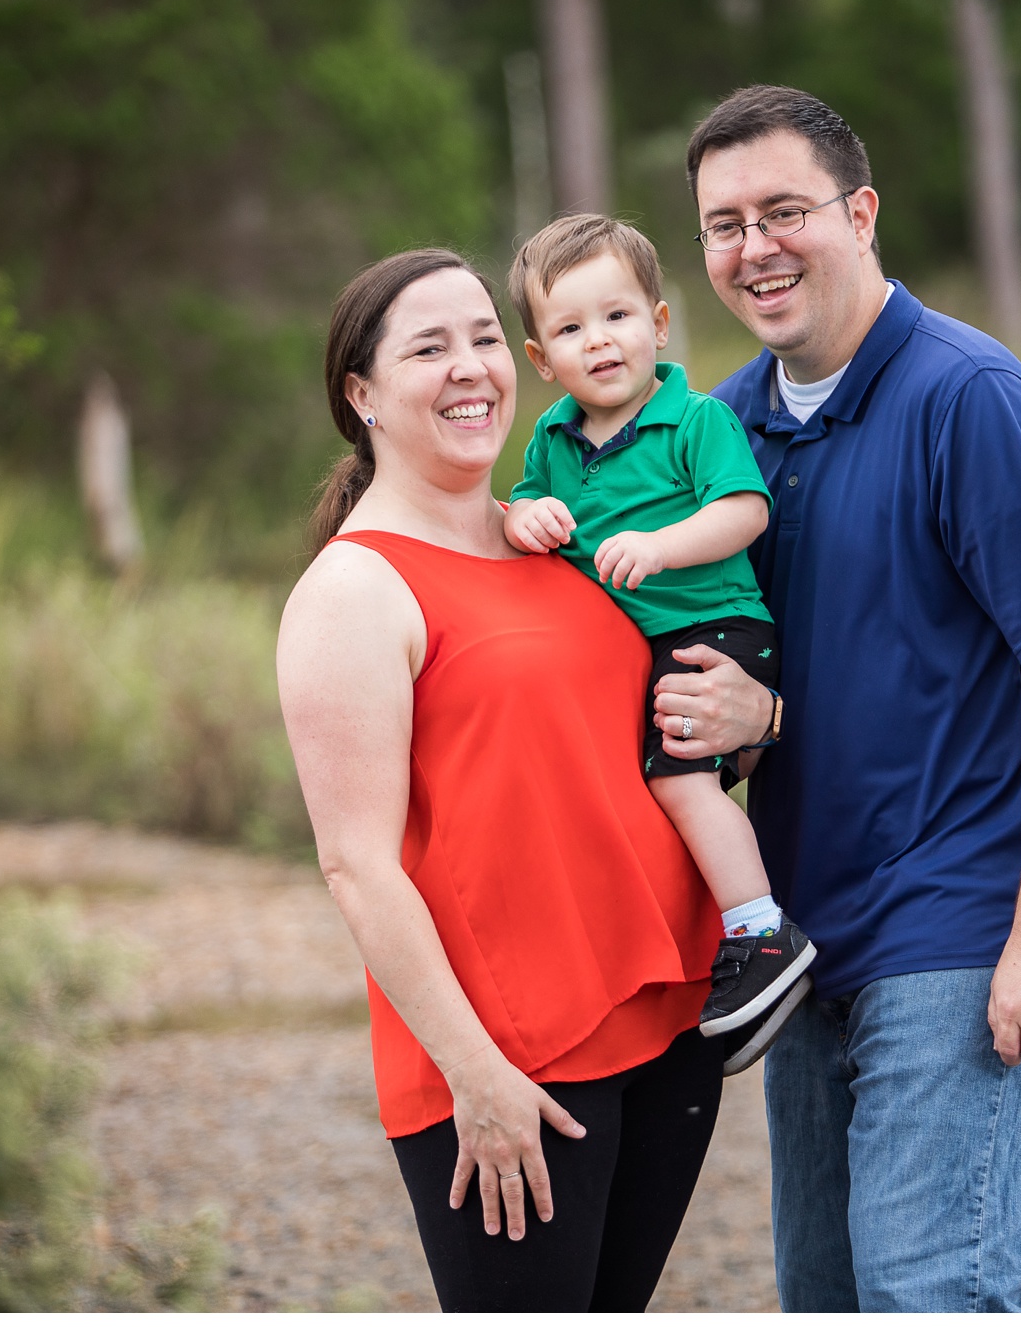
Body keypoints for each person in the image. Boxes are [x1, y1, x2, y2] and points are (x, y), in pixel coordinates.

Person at [652, 86, 1021, 1312]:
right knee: (827, 1294)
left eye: (784, 210)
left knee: (928, 1294)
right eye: (722, 224)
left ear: (859, 213)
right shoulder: (723, 432)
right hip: (804, 937)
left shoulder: (968, 397)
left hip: (958, 930)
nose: (753, 247)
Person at [276, 248, 726, 1312]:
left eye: (483, 337)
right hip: (511, 1066)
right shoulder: (353, 589)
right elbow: (357, 866)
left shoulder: (555, 532)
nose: (470, 367)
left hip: (663, 1025)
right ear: (362, 393)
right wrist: (475, 1074)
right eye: (428, 348)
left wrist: (759, 712)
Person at [501, 213, 815, 1071]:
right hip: (640, 656)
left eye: (617, 317)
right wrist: (526, 513)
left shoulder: (697, 420)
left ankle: (762, 933)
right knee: (643, 793)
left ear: (659, 322)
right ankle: (684, 950)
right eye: (570, 329)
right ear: (540, 360)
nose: (599, 342)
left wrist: (662, 544)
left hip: (714, 629)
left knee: (678, 785)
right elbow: (520, 512)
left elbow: (745, 510)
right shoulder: (551, 442)